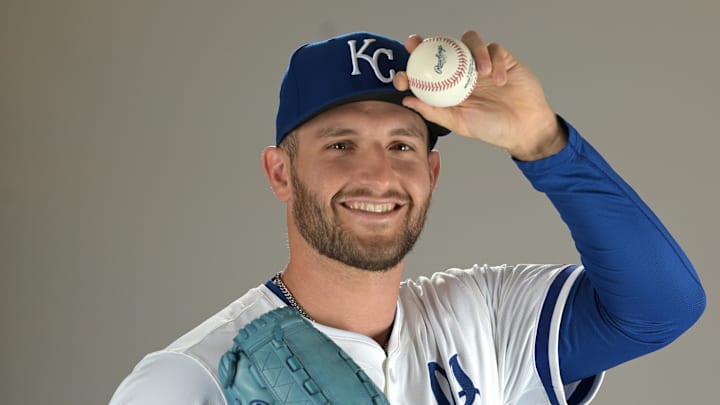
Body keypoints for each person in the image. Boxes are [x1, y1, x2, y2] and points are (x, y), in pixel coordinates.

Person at [109, 30, 706, 404]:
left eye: (402, 146)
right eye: (341, 145)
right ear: (281, 173)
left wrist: (545, 143)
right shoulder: (193, 378)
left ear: (432, 174)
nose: (378, 175)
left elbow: (660, 308)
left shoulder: (484, 320)